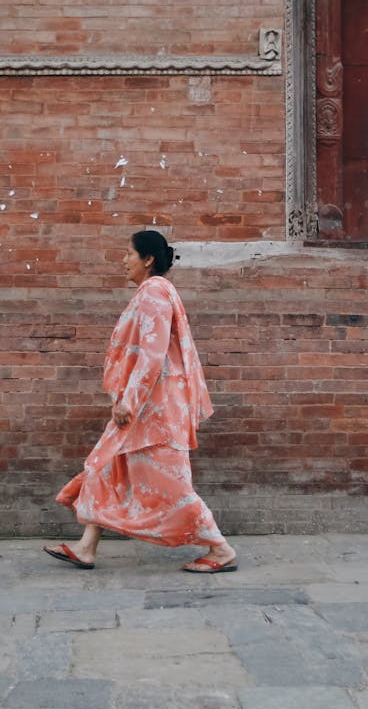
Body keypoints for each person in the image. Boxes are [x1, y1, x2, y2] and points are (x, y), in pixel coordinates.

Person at [44, 230, 237, 573]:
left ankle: (220, 550)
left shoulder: (154, 294)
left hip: (155, 411)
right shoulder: (154, 293)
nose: (123, 260)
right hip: (149, 405)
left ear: (148, 260)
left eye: (128, 253)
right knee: (106, 467)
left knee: (170, 484)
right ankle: (87, 547)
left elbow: (151, 354)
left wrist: (128, 401)